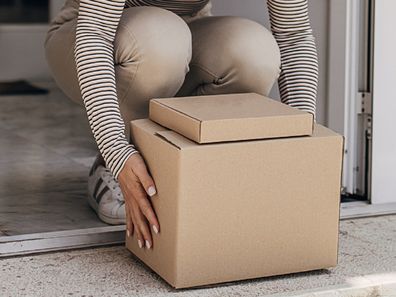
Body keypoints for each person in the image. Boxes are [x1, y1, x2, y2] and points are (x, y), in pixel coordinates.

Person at [44, 0, 318, 250]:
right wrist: (116, 148)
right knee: (161, 40)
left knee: (255, 53)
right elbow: (95, 33)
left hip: (186, 29)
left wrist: (306, 145)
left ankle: (179, 166)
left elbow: (293, 35)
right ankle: (116, 166)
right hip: (89, 33)